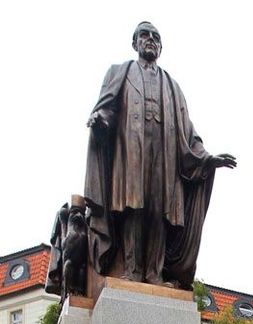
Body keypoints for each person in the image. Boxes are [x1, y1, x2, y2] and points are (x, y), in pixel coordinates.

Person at [85, 22, 236, 288]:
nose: (151, 40)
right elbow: (107, 109)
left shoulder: (173, 86)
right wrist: (99, 120)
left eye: (156, 37)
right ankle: (132, 270)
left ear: (161, 46)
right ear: (135, 43)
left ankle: (154, 274)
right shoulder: (120, 72)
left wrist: (207, 158)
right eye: (145, 35)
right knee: (135, 208)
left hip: (165, 159)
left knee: (158, 212)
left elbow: (188, 132)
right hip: (131, 154)